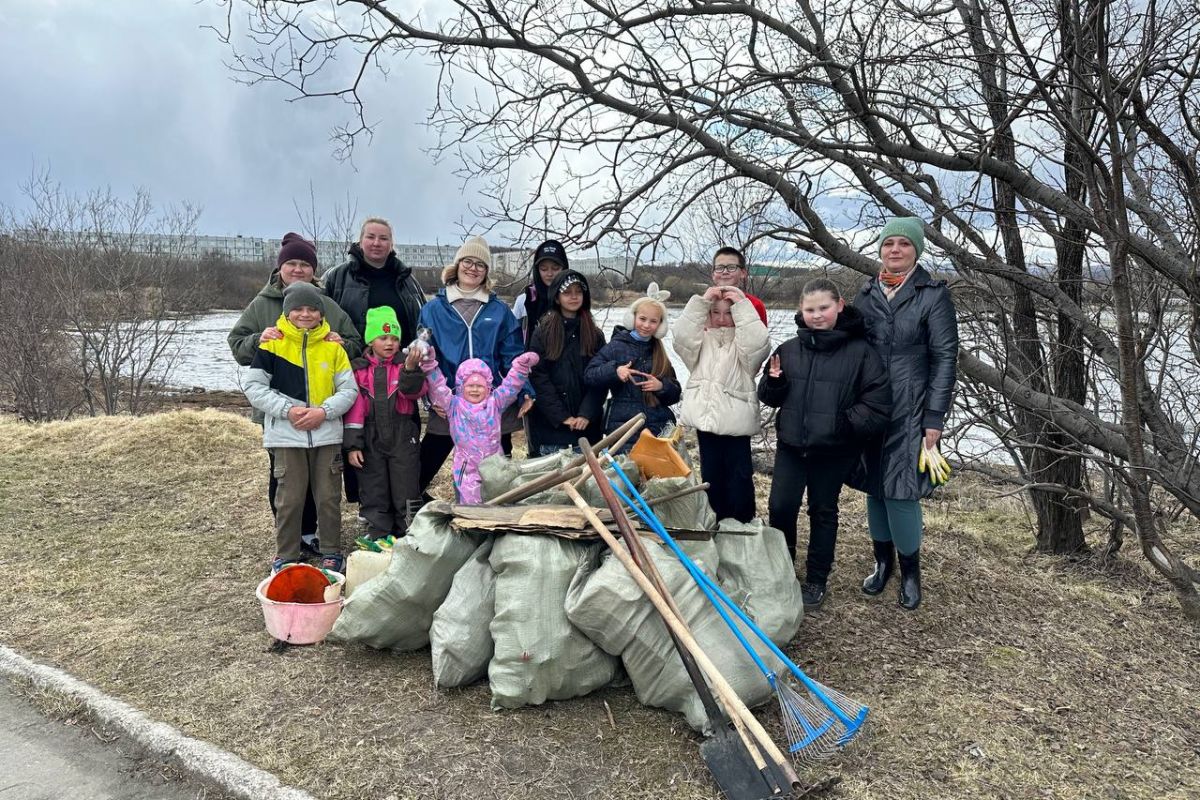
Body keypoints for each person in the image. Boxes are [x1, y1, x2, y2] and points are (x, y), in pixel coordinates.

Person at [758, 278, 891, 611]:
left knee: (823, 511)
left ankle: (816, 580)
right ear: (800, 311)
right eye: (809, 309)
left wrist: (843, 425)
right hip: (791, 446)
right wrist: (775, 383)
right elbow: (768, 397)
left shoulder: (861, 352)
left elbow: (878, 403)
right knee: (781, 508)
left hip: (833, 449)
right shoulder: (788, 349)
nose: (817, 315)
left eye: (823, 308)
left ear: (839, 306)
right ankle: (783, 569)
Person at [227, 232, 361, 557]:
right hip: (281, 419)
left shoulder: (325, 304)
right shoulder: (262, 304)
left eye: (305, 264)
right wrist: (261, 339)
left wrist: (339, 344)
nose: (298, 269)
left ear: (313, 270)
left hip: (323, 421)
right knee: (286, 484)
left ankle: (315, 537)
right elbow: (238, 347)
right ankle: (289, 543)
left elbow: (354, 347)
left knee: (324, 489)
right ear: (281, 267)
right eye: (292, 263)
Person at [852, 216, 959, 611]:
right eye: (888, 243)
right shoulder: (865, 295)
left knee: (902, 491)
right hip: (870, 406)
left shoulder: (933, 295)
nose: (895, 250)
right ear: (880, 250)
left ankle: (911, 572)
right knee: (874, 486)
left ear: (917, 250)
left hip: (912, 409)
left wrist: (935, 417)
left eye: (904, 244)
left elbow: (946, 358)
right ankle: (883, 563)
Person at [243, 282, 357, 574]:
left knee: (329, 497)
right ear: (287, 311)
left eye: (312, 309)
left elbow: (348, 389)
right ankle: (287, 555)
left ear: (321, 312)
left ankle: (331, 550)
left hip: (327, 435)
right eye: (298, 309)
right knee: (289, 499)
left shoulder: (334, 347)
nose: (305, 314)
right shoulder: (272, 344)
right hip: (286, 436)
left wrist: (324, 412)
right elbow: (254, 387)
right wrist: (288, 411)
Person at [322, 217, 427, 505]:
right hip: (356, 368)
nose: (376, 243)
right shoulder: (338, 277)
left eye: (383, 238)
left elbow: (421, 320)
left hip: (401, 369)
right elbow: (317, 314)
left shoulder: (405, 279)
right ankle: (369, 506)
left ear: (391, 243)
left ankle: (405, 501)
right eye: (371, 237)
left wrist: (415, 358)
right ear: (360, 240)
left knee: (404, 435)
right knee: (361, 433)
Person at [417, 236, 530, 495]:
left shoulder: (499, 310)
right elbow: (423, 353)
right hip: (449, 403)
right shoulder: (433, 309)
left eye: (481, 264)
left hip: (491, 405)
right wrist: (428, 397)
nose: (473, 268)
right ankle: (411, 516)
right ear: (457, 265)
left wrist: (526, 390)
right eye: (467, 261)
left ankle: (497, 521)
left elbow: (513, 354)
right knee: (426, 462)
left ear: (487, 272)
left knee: (498, 472)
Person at [673, 285, 770, 523]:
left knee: (740, 482)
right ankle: (715, 529)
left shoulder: (743, 346)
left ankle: (743, 531)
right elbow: (680, 337)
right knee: (711, 481)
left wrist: (743, 306)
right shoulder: (699, 342)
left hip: (737, 426)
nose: (722, 319)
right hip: (706, 425)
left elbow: (760, 345)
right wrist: (702, 301)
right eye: (716, 313)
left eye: (728, 313)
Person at [343, 307, 427, 540]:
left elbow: (415, 392)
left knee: (406, 485)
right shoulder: (358, 370)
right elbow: (353, 411)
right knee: (373, 486)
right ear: (371, 340)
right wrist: (353, 446)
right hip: (369, 437)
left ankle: (409, 531)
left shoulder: (405, 364)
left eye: (394, 338)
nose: (389, 343)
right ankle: (378, 532)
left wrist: (410, 370)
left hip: (402, 435)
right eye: (383, 338)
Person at [419, 349, 540, 504]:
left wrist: (521, 367)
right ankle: (470, 527)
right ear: (461, 386)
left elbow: (511, 387)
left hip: (494, 463)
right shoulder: (453, 405)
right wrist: (429, 366)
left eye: (480, 386)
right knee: (471, 505)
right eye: (470, 385)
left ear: (488, 387)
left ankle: (497, 526)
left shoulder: (495, 402)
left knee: (499, 500)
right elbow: (438, 386)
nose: (475, 389)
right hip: (467, 466)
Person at [585, 284, 682, 445]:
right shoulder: (616, 346)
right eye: (642, 319)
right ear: (633, 318)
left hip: (658, 429)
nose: (646, 325)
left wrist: (661, 386)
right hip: (624, 430)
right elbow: (590, 374)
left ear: (660, 325)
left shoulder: (659, 352)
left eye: (653, 321)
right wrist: (615, 371)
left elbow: (676, 392)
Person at [526, 270, 607, 456]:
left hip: (587, 431)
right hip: (550, 430)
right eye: (567, 292)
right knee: (552, 483)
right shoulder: (542, 333)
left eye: (578, 292)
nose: (573, 297)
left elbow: (601, 379)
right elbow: (538, 377)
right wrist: (562, 416)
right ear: (556, 297)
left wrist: (586, 413)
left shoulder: (595, 335)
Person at [513, 239, 569, 348]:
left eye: (555, 268)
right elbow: (513, 340)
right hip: (531, 362)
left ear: (564, 268)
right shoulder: (524, 300)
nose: (549, 273)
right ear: (537, 270)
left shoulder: (572, 299)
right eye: (543, 269)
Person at [711, 246, 768, 325]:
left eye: (731, 267)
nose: (725, 272)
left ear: (743, 273)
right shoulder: (702, 303)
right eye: (719, 268)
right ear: (713, 274)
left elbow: (761, 336)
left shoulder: (755, 305)